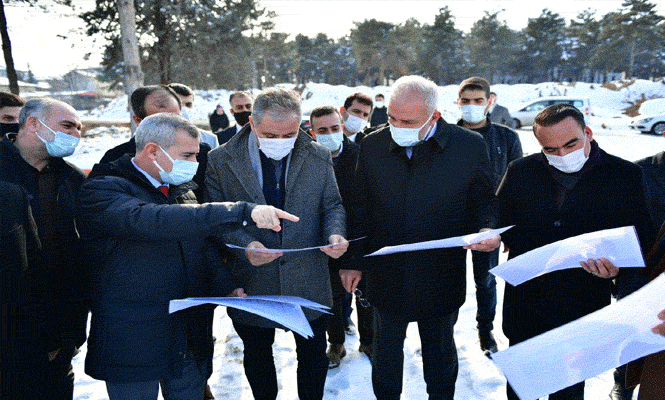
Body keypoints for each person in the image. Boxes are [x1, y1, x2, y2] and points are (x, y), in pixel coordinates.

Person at [79, 112, 298, 400]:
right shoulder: (104, 189)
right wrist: (242, 211)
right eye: (188, 155)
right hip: (132, 337)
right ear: (152, 151)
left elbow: (201, 246)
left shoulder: (182, 190)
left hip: (186, 333)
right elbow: (155, 220)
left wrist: (226, 285)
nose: (196, 164)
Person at [341, 75, 500, 400]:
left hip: (440, 273)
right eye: (393, 119)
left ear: (435, 117)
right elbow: (359, 207)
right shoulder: (372, 145)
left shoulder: (468, 146)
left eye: (408, 121)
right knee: (385, 359)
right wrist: (352, 261)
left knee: (440, 357)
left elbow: (484, 199)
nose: (397, 126)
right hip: (386, 274)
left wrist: (487, 227)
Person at [497, 103, 654, 400]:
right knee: (520, 388)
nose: (563, 154)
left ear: (588, 133)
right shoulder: (521, 171)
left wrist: (618, 268)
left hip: (580, 304)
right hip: (526, 304)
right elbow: (500, 220)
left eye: (571, 144)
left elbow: (641, 240)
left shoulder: (625, 175)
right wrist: (491, 235)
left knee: (567, 391)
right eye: (550, 149)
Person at [205, 88, 348, 400]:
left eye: (291, 133)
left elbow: (332, 206)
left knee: (312, 356)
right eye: (271, 134)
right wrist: (246, 246)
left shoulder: (318, 155)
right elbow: (217, 218)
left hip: (308, 277)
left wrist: (334, 234)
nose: (281, 141)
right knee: (257, 355)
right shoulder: (220, 159)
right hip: (253, 279)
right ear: (253, 124)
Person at [0, 98, 89, 399]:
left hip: (55, 342)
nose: (76, 134)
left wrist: (70, 335)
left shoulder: (74, 180)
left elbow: (79, 259)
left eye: (79, 128)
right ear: (33, 123)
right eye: (67, 125)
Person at [456, 77, 523, 356]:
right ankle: (439, 331)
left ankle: (485, 331)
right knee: (445, 280)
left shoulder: (507, 138)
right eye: (466, 101)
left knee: (485, 280)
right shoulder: (446, 135)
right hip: (450, 222)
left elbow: (517, 185)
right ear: (457, 102)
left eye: (478, 101)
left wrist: (507, 231)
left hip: (490, 224)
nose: (472, 106)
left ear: (489, 102)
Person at [309, 106, 374, 368]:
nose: (330, 134)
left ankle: (368, 340)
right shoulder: (309, 160)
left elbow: (369, 203)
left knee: (365, 293)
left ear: (342, 127)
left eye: (335, 129)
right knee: (332, 297)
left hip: (360, 237)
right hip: (325, 239)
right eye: (322, 130)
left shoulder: (361, 157)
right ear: (312, 132)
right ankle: (335, 342)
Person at [100, 84, 211, 201]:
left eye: (177, 118)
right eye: (162, 121)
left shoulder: (202, 155)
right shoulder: (114, 159)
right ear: (138, 120)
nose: (173, 126)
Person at [168, 83, 219, 149]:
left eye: (188, 104)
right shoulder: (154, 139)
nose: (184, 109)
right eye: (178, 104)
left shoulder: (210, 139)